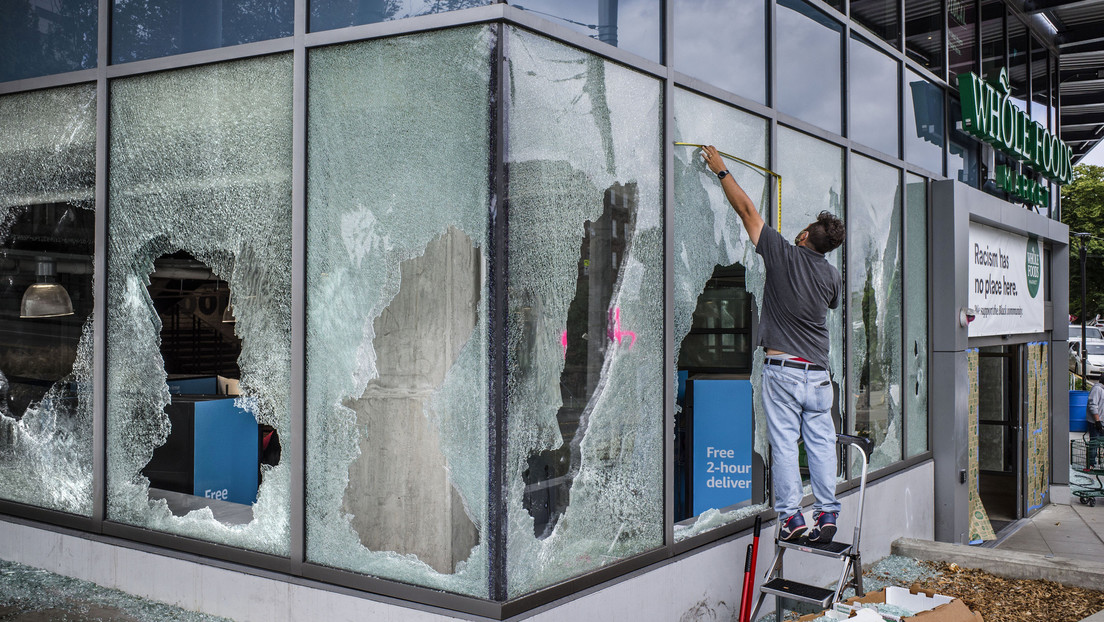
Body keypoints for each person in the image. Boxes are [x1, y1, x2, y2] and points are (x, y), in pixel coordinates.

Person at [701, 145, 846, 544]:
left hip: (783, 372)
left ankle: (792, 519)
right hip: (818, 376)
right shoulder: (832, 277)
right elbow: (831, 304)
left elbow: (748, 211)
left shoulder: (783, 253)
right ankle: (828, 512)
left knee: (784, 444)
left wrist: (721, 171)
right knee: (819, 444)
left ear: (802, 236)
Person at [1087, 380, 1104, 470]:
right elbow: (1093, 405)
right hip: (1096, 422)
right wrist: (1097, 421)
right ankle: (1091, 464)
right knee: (1094, 443)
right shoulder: (1097, 389)